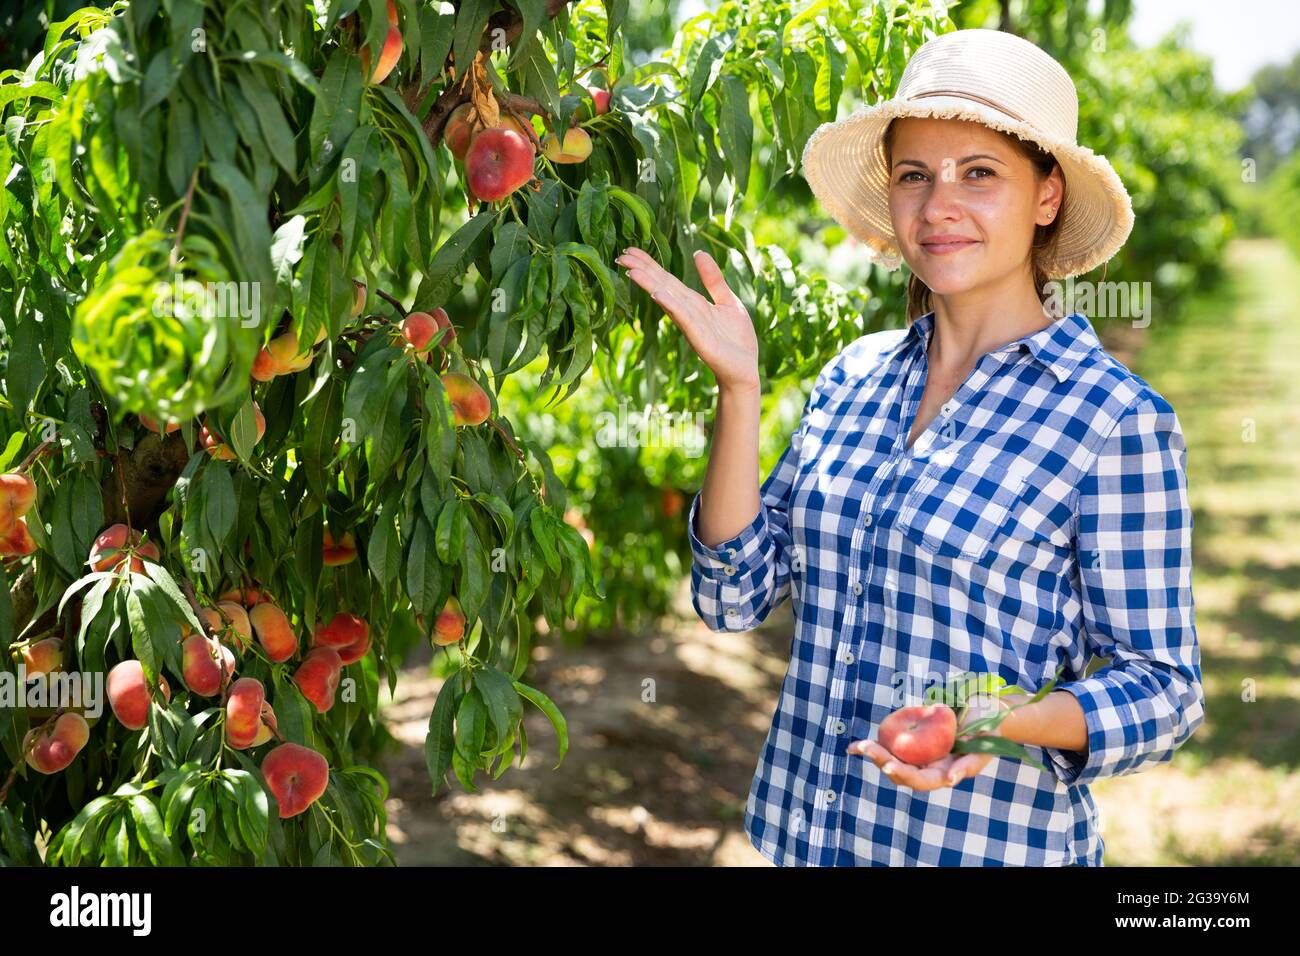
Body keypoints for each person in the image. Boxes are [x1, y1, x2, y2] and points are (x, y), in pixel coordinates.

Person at [615, 28, 1204, 866]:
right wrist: (739, 392)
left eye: (980, 174)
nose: (939, 207)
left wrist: (993, 722)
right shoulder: (854, 380)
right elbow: (732, 598)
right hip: (805, 842)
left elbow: (1164, 690)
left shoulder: (1109, 420)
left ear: (1047, 197)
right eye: (914, 176)